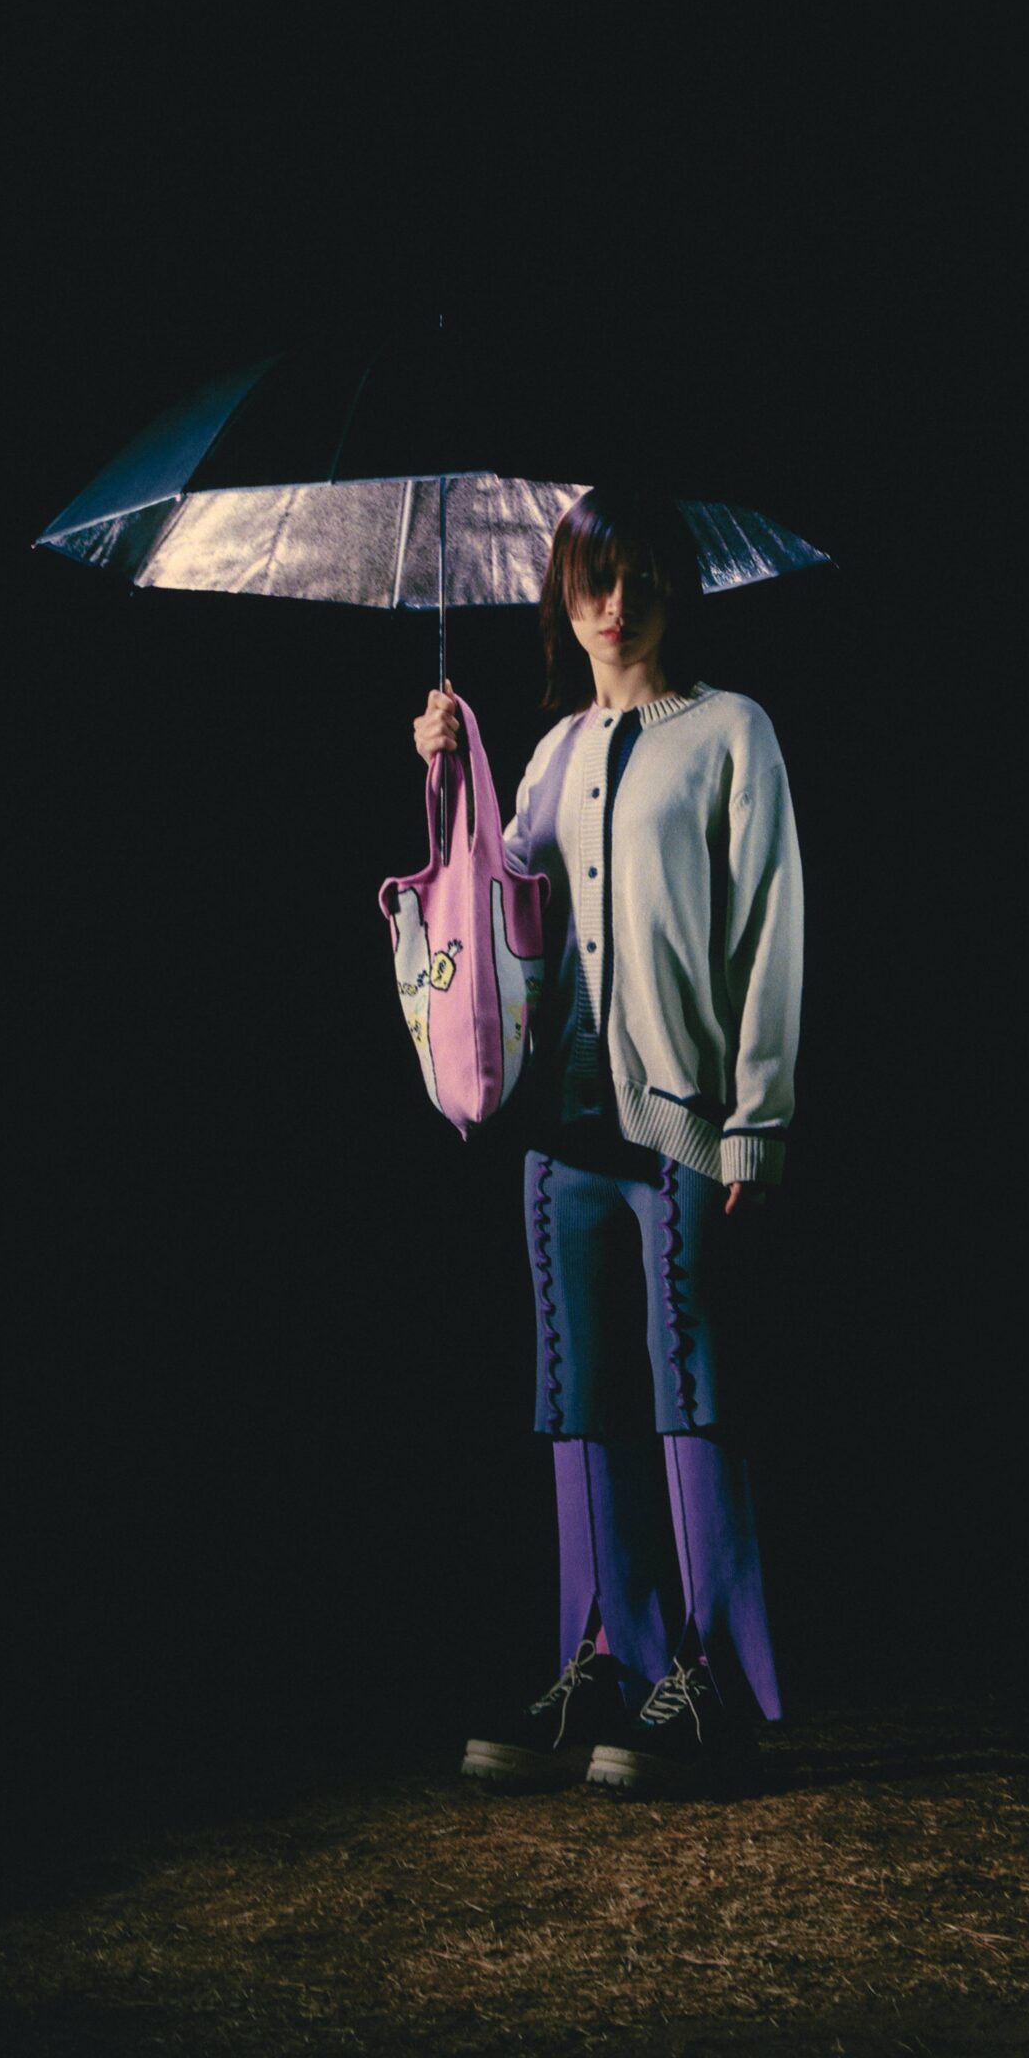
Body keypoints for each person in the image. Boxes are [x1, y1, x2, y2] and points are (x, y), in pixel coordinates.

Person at [408, 485, 803, 1795]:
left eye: (635, 577)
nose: (615, 604)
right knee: (578, 1398)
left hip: (682, 1121)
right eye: (591, 578)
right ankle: (610, 1662)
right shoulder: (552, 754)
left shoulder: (732, 733)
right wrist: (449, 769)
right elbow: (500, 905)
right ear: (562, 596)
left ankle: (716, 1684)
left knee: (690, 1390)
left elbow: (770, 932)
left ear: (670, 586)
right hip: (563, 1128)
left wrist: (757, 1121)